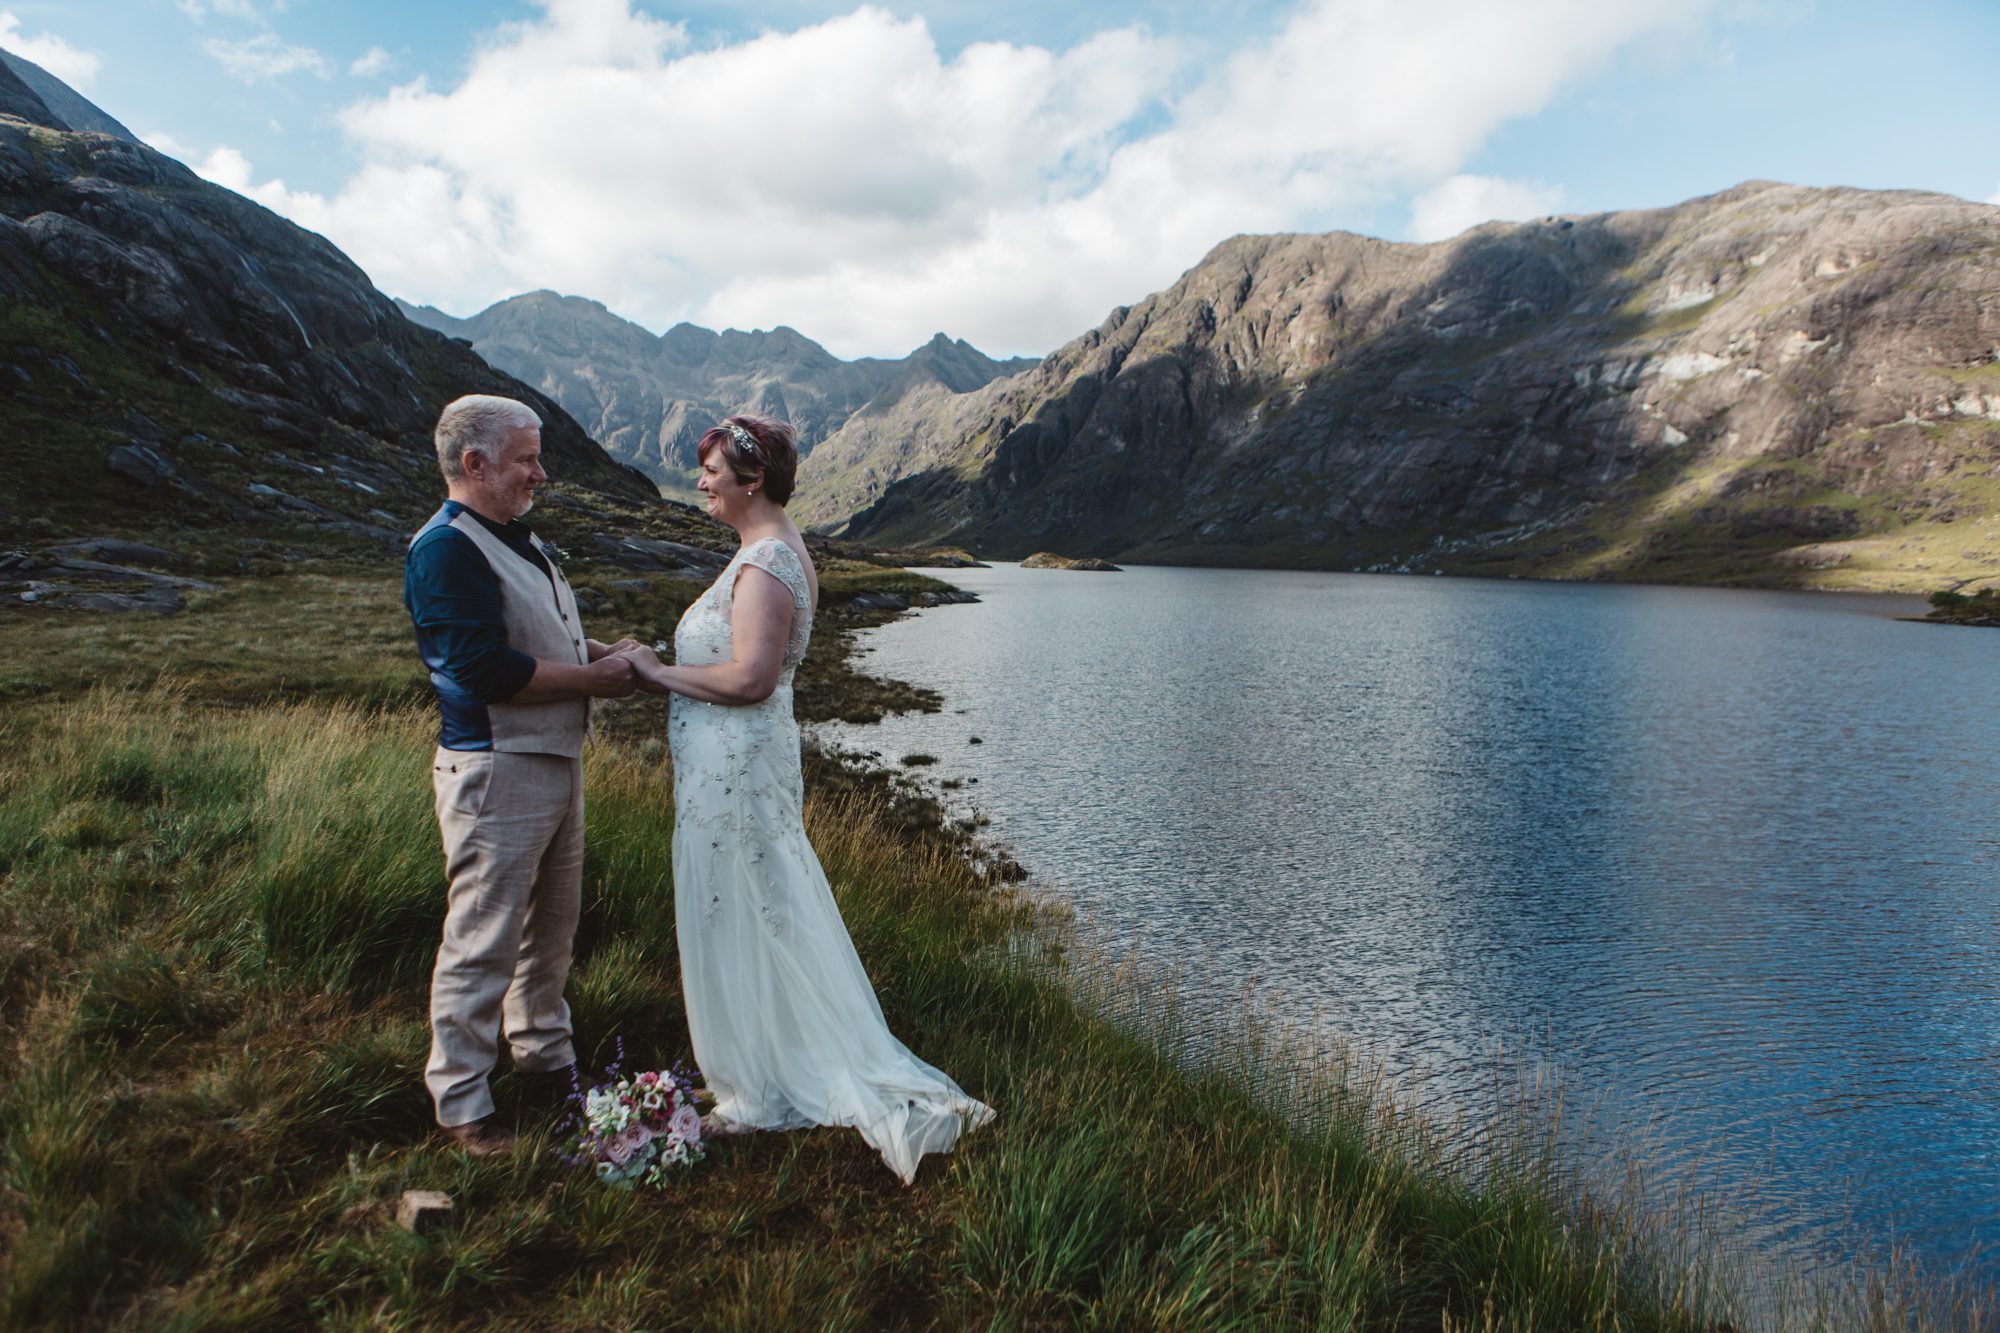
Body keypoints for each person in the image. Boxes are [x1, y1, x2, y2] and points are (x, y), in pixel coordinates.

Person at [625, 415, 991, 1183]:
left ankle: (761, 1085)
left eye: (711, 470)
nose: (701, 482)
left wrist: (656, 674)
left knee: (748, 901)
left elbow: (751, 678)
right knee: (752, 901)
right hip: (730, 764)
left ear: (751, 481)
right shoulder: (771, 550)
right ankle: (751, 1066)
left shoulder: (764, 562)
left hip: (735, 766)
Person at [404, 393, 642, 1156]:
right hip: (496, 769)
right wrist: (590, 682)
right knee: (482, 937)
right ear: (474, 464)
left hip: (549, 761)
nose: (541, 472)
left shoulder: (511, 537)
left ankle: (545, 1059)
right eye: (525, 459)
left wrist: (600, 652)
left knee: (550, 929)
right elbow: (479, 668)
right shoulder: (445, 548)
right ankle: (463, 1105)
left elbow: (534, 632)